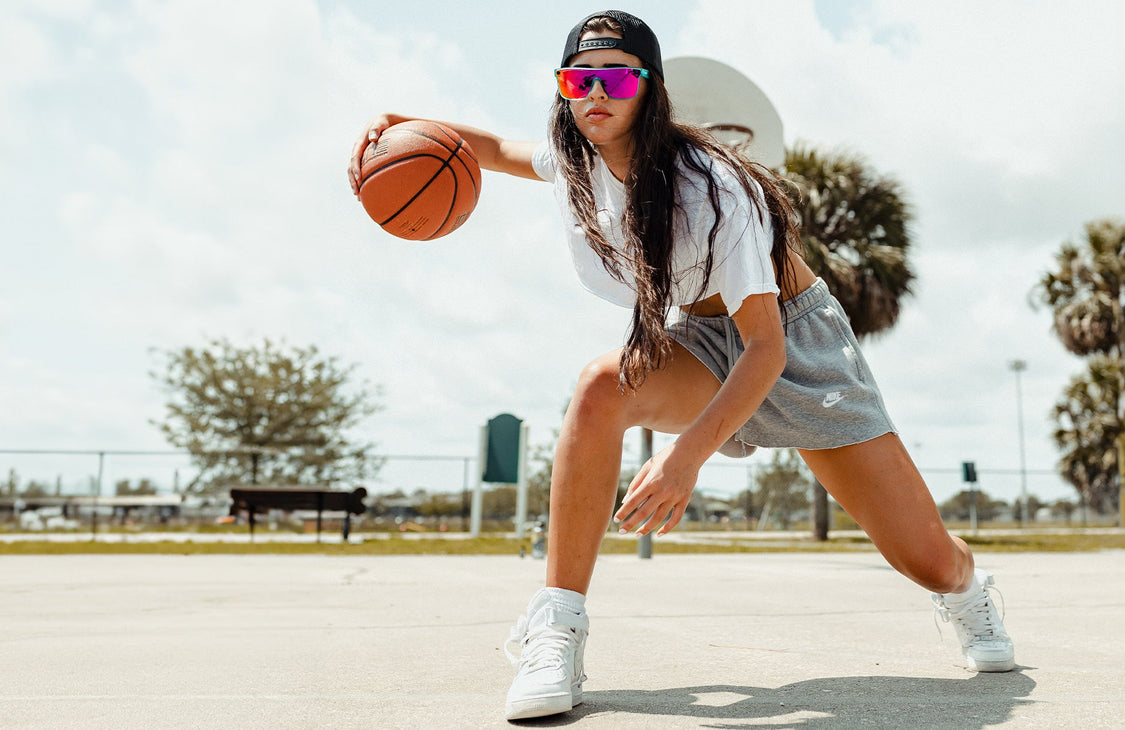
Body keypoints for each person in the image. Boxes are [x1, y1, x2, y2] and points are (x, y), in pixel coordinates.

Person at [348, 10, 1014, 722]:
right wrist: (404, 122)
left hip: (793, 345)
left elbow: (766, 349)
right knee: (600, 387)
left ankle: (969, 592)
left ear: (649, 88)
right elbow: (492, 149)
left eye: (615, 78)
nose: (595, 93)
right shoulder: (575, 163)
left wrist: (683, 458)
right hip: (703, 342)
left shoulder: (710, 187)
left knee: (926, 561)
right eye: (578, 79)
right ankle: (556, 627)